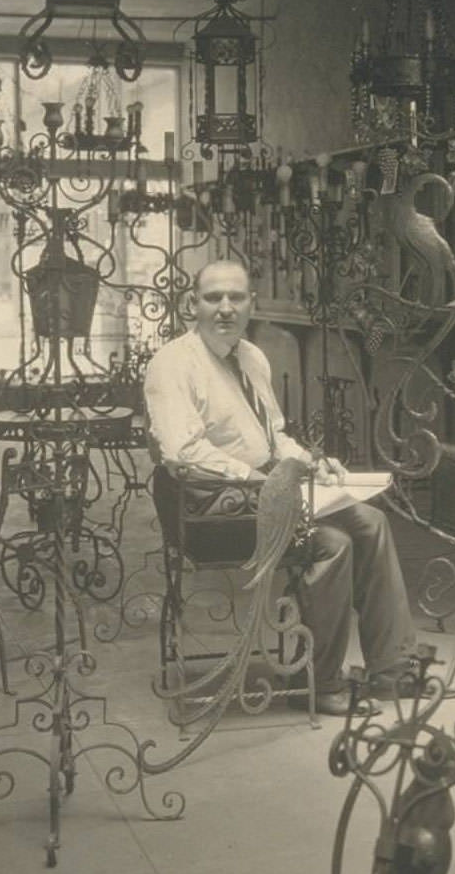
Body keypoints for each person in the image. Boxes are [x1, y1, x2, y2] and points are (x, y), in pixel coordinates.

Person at [144, 259, 416, 714]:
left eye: (236, 297)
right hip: (209, 505)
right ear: (193, 304)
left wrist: (309, 464)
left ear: (252, 304)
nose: (225, 308)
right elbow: (182, 452)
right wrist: (258, 480)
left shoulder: (252, 358)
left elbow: (273, 438)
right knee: (332, 544)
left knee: (371, 520)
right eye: (213, 298)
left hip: (265, 492)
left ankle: (392, 670)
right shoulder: (172, 364)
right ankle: (324, 683)